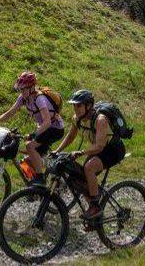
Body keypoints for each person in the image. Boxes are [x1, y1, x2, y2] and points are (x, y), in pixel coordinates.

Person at [53, 90, 126, 219]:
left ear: (89, 106)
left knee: (89, 168)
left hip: (113, 150)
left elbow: (99, 146)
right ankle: (94, 215)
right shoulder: (77, 119)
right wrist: (57, 150)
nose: (75, 109)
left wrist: (81, 152)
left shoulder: (100, 120)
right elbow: (70, 136)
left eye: (79, 106)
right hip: (98, 149)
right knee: (79, 178)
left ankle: (95, 206)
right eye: (74, 106)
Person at [0, 72, 64, 185]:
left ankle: (40, 178)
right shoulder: (24, 98)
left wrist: (34, 134)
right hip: (45, 128)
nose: (21, 92)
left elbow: (47, 122)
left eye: (23, 89)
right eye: (20, 89)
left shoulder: (39, 99)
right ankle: (35, 188)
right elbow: (10, 112)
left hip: (55, 128)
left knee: (30, 146)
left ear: (31, 87)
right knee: (26, 161)